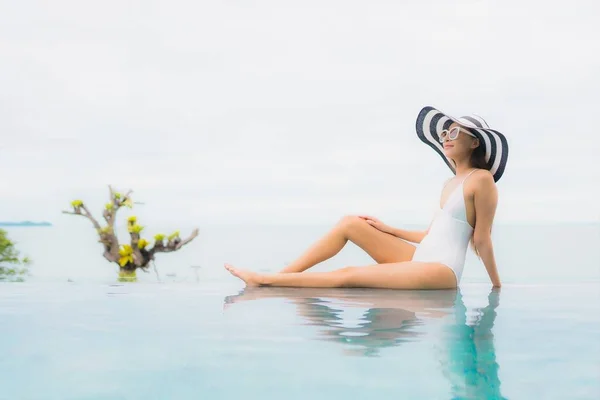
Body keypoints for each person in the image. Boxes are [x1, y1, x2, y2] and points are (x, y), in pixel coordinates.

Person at [224, 106, 509, 289]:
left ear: (475, 142)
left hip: (442, 271)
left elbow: (481, 239)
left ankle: (265, 279)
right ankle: (283, 275)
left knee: (349, 274)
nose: (447, 136)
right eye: (445, 131)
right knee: (350, 223)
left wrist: (497, 287)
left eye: (455, 131)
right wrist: (387, 228)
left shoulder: (482, 180)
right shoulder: (450, 182)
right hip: (421, 257)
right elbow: (431, 235)